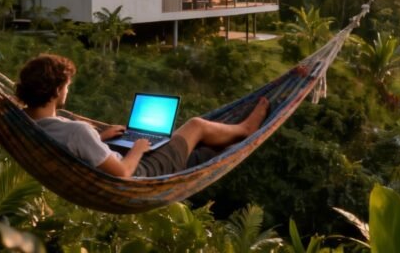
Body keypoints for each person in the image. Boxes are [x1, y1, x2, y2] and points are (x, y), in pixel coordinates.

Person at [15, 54, 269, 178]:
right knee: (196, 126)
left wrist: (100, 138)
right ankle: (245, 130)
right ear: (57, 90)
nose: (67, 90)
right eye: (67, 86)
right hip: (138, 174)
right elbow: (124, 173)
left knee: (194, 151)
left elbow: (78, 148)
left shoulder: (25, 122)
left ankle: (218, 145)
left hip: (105, 159)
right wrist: (137, 148)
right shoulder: (77, 131)